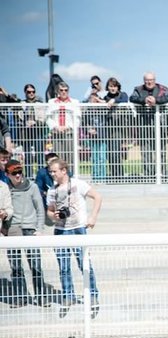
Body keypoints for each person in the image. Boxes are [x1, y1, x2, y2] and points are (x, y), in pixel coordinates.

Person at [46, 159, 102, 319]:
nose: (52, 174)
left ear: (64, 170)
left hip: (78, 228)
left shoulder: (79, 184)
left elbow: (97, 197)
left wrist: (93, 217)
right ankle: (68, 296)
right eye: (51, 171)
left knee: (84, 264)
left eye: (54, 171)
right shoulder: (52, 191)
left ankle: (92, 295)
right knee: (63, 267)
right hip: (60, 230)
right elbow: (49, 211)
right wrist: (53, 216)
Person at [4, 160, 47, 307]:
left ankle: (41, 296)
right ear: (7, 174)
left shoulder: (32, 187)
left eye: (19, 172)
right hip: (13, 229)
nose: (18, 175)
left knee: (35, 265)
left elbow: (40, 209)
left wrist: (39, 229)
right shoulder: (5, 189)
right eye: (14, 173)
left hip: (30, 229)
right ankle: (20, 297)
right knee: (15, 267)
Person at [129, 72, 168, 177]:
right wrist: (144, 100)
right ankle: (148, 174)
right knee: (145, 150)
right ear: (144, 81)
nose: (149, 82)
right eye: (147, 80)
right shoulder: (138, 89)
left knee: (161, 150)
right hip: (144, 125)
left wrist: (156, 101)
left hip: (160, 125)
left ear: (155, 80)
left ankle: (161, 173)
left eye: (151, 80)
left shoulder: (162, 88)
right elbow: (132, 98)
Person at [102, 77, 130, 181]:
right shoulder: (106, 97)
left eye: (114, 86)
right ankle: (113, 174)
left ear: (118, 87)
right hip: (109, 127)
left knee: (116, 151)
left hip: (119, 127)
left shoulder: (123, 94)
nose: (112, 88)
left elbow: (125, 100)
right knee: (110, 152)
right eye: (110, 86)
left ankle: (119, 175)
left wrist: (114, 100)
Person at [45, 81, 80, 164]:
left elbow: (77, 118)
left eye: (66, 90)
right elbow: (48, 118)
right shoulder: (52, 102)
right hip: (56, 133)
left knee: (71, 156)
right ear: (57, 91)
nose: (64, 92)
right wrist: (55, 127)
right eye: (61, 90)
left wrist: (68, 126)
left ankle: (71, 175)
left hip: (69, 133)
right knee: (58, 156)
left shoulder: (74, 102)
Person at [17, 83, 47, 177]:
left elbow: (43, 117)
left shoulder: (40, 103)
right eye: (29, 92)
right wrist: (25, 122)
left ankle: (41, 176)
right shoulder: (22, 104)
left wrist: (35, 122)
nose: (31, 93)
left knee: (40, 156)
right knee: (28, 156)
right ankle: (29, 176)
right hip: (26, 133)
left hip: (38, 132)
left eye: (33, 92)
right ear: (25, 92)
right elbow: (19, 116)